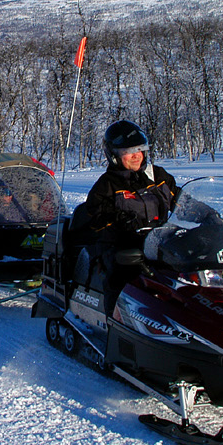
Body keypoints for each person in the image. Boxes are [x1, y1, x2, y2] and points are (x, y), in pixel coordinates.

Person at [71, 120, 179, 312]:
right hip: (120, 248)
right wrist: (116, 218)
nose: (136, 155)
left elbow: (180, 199)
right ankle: (115, 323)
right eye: (128, 151)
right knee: (122, 274)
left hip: (157, 245)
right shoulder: (107, 185)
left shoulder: (158, 176)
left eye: (139, 149)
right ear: (114, 155)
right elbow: (94, 216)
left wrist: (206, 214)